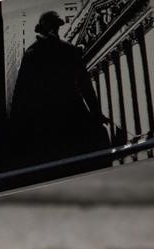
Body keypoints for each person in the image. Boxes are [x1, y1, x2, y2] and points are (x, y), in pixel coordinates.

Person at [10, 11, 110, 164]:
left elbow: (85, 85)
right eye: (52, 27)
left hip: (56, 117)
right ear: (45, 29)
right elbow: (85, 86)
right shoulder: (64, 50)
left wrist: (97, 114)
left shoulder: (36, 53)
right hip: (62, 116)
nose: (54, 30)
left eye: (55, 27)